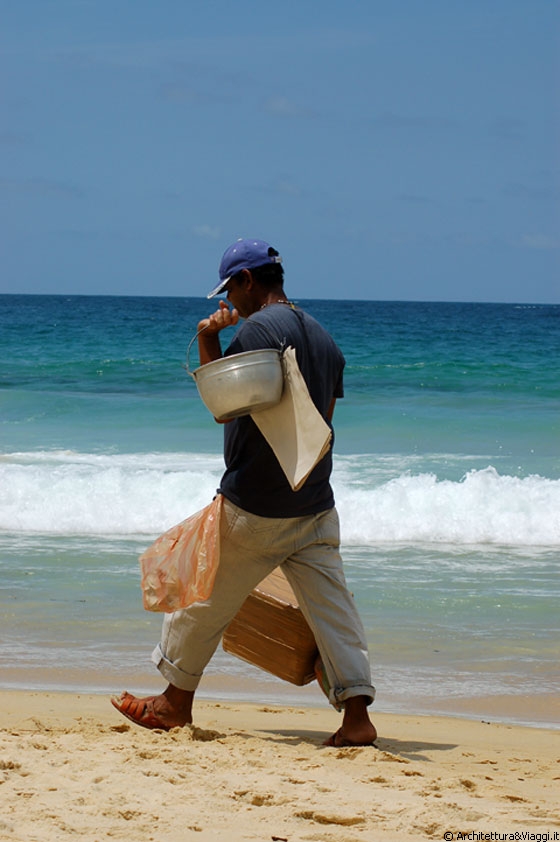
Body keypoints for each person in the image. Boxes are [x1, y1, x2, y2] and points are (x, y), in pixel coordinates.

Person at [112, 238, 377, 747]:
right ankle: (356, 717)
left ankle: (173, 703)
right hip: (315, 505)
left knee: (200, 594)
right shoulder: (324, 339)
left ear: (247, 281)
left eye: (230, 289)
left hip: (256, 504)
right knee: (334, 614)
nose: (230, 299)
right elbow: (322, 426)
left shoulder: (257, 330)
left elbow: (223, 405)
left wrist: (208, 337)